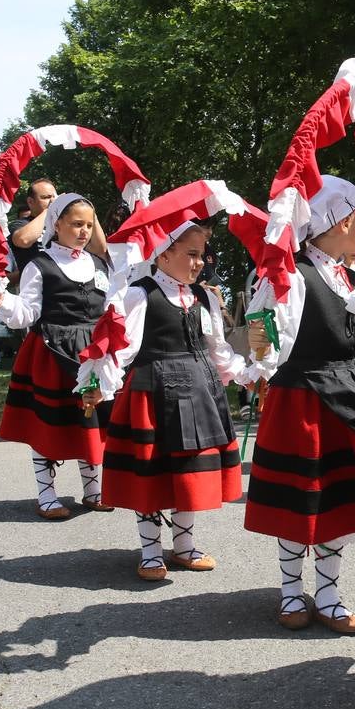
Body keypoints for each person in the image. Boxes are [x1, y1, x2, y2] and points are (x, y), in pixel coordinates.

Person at [243, 175, 355, 635]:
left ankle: (327, 593)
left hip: (346, 393)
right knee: (300, 498)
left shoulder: (345, 275)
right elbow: (270, 347)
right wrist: (261, 346)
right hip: (302, 398)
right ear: (343, 221)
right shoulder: (295, 275)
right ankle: (291, 590)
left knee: (337, 501)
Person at [80, 220, 248, 580]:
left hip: (199, 390)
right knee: (152, 473)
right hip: (153, 393)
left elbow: (218, 349)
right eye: (191, 254)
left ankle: (184, 545)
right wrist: (99, 382)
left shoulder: (205, 298)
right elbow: (123, 348)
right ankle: (151, 551)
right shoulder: (140, 294)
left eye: (202, 255)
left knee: (187, 472)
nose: (200, 262)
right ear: (164, 252)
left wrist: (247, 374)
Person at [0, 193, 114, 519]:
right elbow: (26, 313)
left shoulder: (99, 264)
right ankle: (46, 495)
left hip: (91, 353)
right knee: (49, 426)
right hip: (52, 352)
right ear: (56, 224)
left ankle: (94, 490)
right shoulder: (39, 266)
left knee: (92, 421)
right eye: (76, 224)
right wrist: (2, 301)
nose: (84, 231)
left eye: (89, 224)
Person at [7, 178, 58, 284]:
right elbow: (23, 240)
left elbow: (98, 249)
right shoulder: (20, 224)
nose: (52, 201)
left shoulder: (65, 224)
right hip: (36, 291)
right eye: (46, 197)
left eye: (54, 197)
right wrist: (49, 211)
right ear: (30, 201)